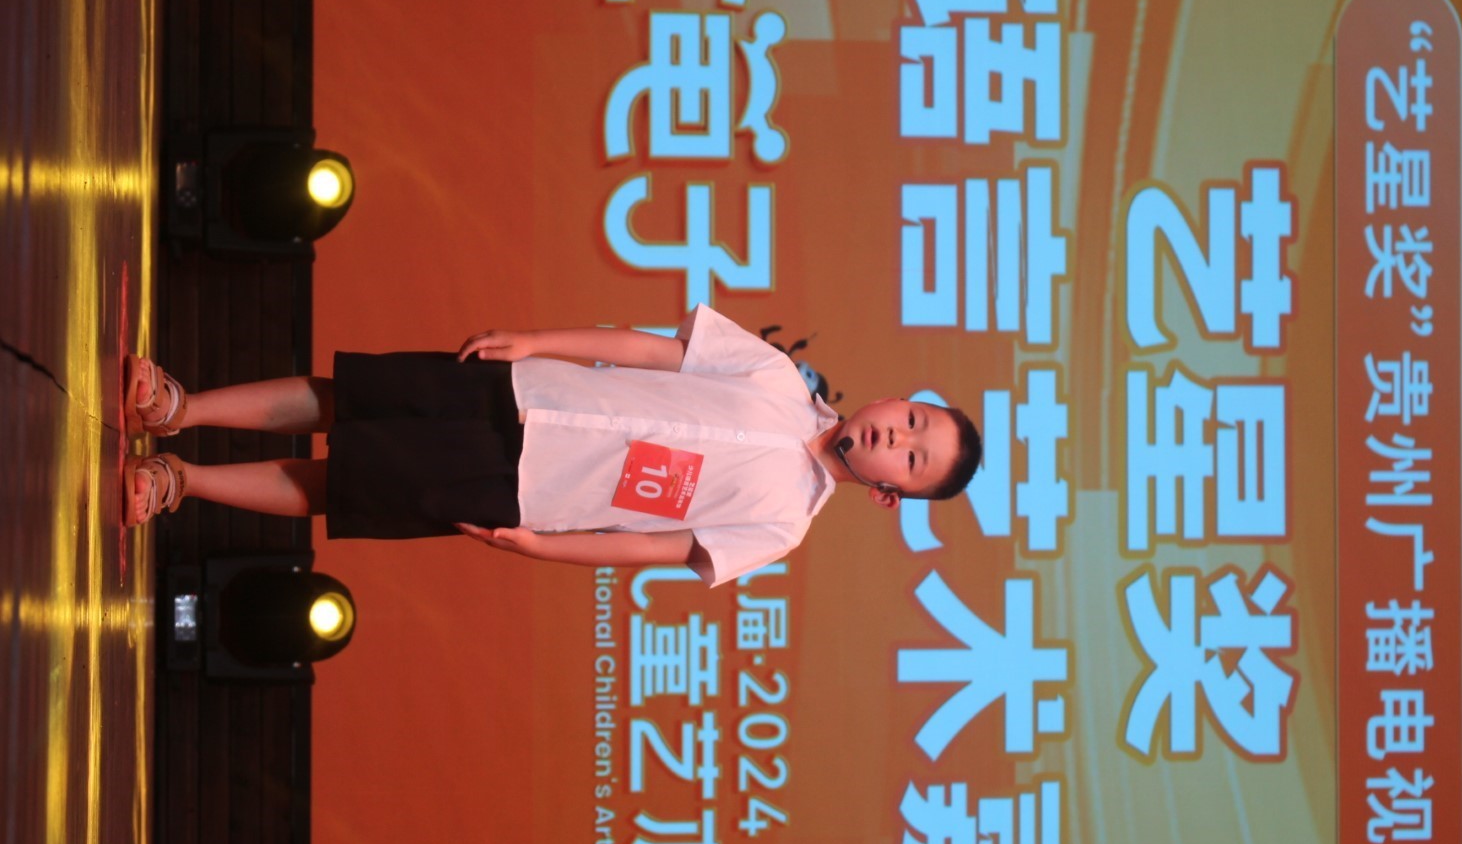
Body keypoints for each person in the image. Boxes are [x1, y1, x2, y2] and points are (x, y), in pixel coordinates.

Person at [122, 305, 982, 586]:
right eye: (913, 420)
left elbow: (655, 549)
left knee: (340, 486)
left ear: (887, 494)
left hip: (530, 489)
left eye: (911, 458)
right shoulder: (777, 376)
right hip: (529, 392)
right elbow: (652, 351)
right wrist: (537, 340)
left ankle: (180, 480)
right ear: (894, 401)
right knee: (347, 399)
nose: (895, 436)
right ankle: (182, 408)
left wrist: (542, 547)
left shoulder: (783, 525)